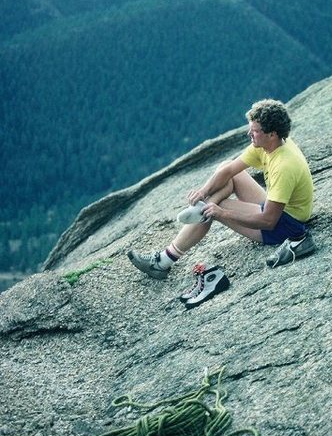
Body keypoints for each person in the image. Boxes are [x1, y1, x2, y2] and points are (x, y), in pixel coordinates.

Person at [127, 99, 316, 303]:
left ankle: (162, 262)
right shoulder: (269, 144)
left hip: (285, 224)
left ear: (272, 134)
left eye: (254, 130)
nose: (249, 134)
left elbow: (269, 220)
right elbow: (229, 170)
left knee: (213, 208)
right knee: (226, 170)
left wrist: (220, 212)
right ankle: (202, 208)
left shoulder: (284, 166)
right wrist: (203, 191)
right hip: (277, 207)